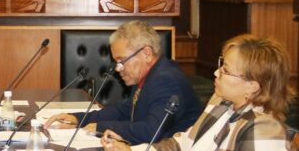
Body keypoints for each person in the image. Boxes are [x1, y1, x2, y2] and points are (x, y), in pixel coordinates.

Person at [102, 34, 299, 151]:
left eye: (226, 70)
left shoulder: (262, 130)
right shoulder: (221, 105)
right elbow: (184, 144)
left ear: (252, 86)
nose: (216, 72)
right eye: (221, 65)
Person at [45, 21, 201, 144]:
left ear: (146, 53)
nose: (118, 68)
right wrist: (80, 119)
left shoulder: (166, 79)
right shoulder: (151, 74)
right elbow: (126, 111)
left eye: (122, 60)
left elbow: (152, 131)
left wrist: (101, 127)